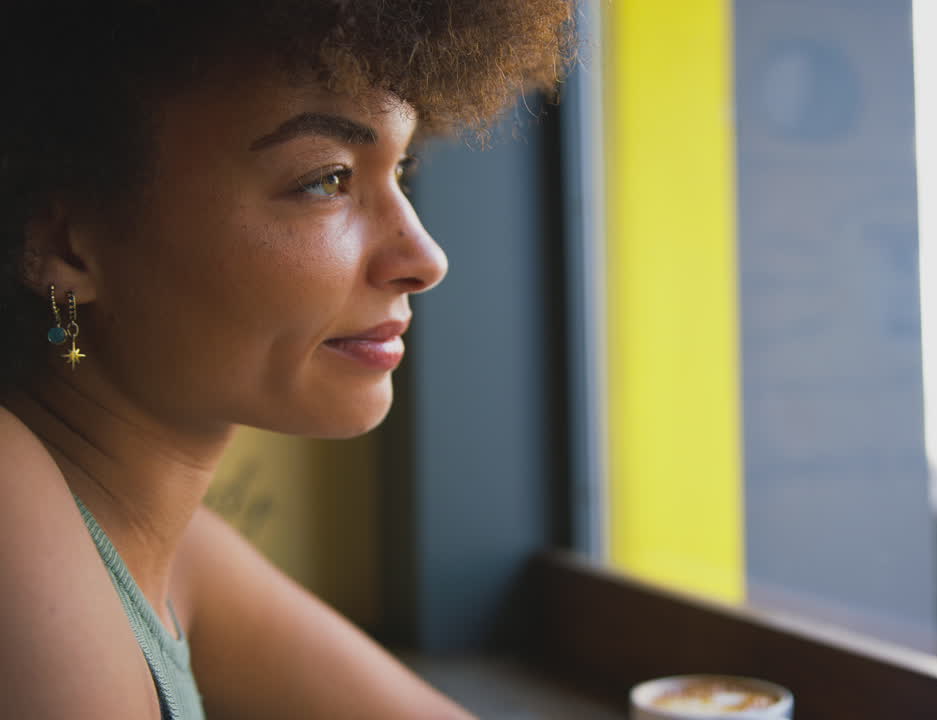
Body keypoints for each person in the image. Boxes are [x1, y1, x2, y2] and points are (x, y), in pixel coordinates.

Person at [0, 2, 573, 718]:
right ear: (64, 247)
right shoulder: (9, 498)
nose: (425, 258)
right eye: (327, 180)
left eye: (403, 165)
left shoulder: (169, 548)